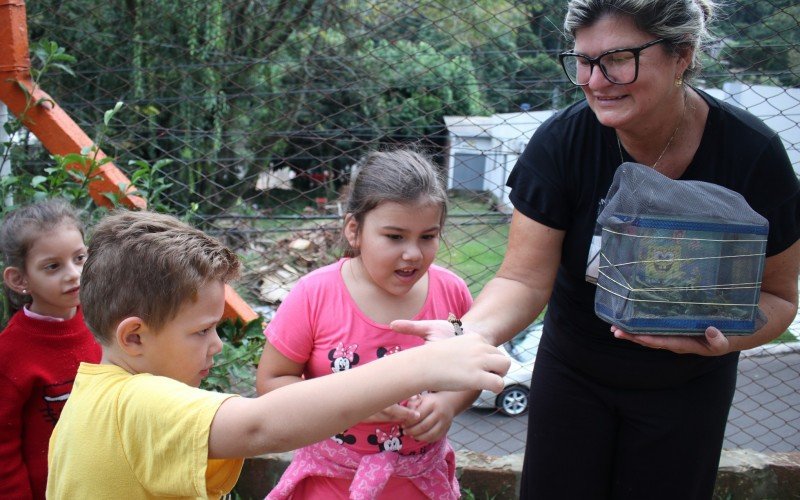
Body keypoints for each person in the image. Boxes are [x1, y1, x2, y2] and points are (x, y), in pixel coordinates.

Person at [392, 1, 800, 499]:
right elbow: (522, 280)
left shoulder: (752, 155)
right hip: (574, 375)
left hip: (689, 388)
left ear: (681, 57)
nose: (596, 80)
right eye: (583, 61)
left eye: (618, 58)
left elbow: (779, 297)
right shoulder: (563, 143)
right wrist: (465, 333)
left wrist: (726, 339)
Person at [46, 209, 509, 499]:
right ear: (134, 338)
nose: (217, 344)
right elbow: (259, 424)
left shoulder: (92, 394)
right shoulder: (138, 403)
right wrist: (419, 366)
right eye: (203, 330)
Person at [256, 149, 477, 500]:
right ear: (354, 230)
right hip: (330, 483)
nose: (413, 254)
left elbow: (472, 368)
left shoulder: (451, 293)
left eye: (428, 236)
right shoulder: (315, 294)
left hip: (419, 483)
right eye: (394, 237)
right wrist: (348, 403)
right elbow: (271, 382)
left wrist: (449, 403)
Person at [0, 199, 101, 500]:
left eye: (79, 258)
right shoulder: (10, 353)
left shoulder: (104, 322)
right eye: (53, 266)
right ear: (20, 279)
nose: (73, 273)